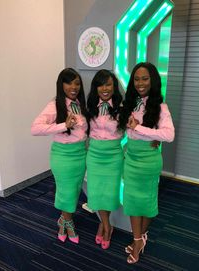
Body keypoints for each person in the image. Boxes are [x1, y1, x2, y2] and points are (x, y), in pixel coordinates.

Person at [118, 62, 175, 264]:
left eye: (145, 78)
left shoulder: (160, 107)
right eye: (136, 79)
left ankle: (140, 238)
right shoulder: (129, 104)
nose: (140, 83)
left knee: (148, 203)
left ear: (152, 81)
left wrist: (142, 129)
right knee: (132, 202)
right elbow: (121, 128)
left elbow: (169, 134)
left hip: (149, 161)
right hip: (131, 158)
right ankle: (137, 240)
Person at [31, 68, 88, 244]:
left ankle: (63, 219)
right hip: (63, 156)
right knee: (66, 191)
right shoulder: (55, 104)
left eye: (77, 83)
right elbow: (35, 128)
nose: (74, 87)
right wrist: (63, 125)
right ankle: (67, 222)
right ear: (61, 85)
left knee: (75, 190)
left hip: (80, 154)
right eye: (69, 82)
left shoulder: (79, 104)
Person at [86, 69, 124, 249]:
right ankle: (106, 224)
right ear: (96, 87)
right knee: (96, 192)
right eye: (101, 84)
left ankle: (105, 224)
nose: (104, 88)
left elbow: (134, 128)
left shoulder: (123, 108)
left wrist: (154, 137)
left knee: (109, 193)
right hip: (94, 155)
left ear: (114, 86)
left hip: (113, 155)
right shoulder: (90, 106)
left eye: (108, 84)